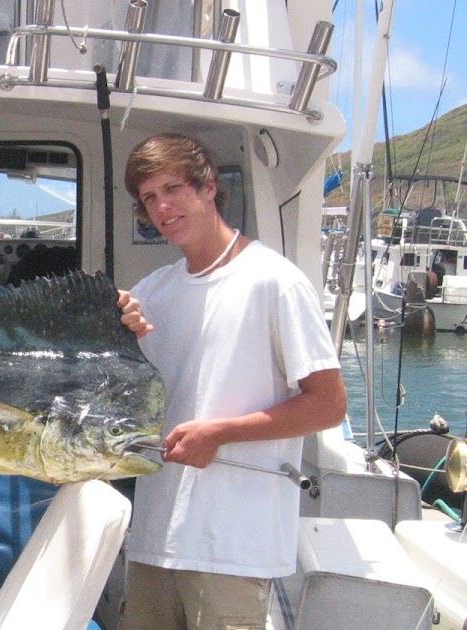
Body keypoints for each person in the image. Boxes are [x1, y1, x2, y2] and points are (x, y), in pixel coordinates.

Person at [115, 133, 347, 630]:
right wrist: (114, 328)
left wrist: (218, 434)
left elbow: (328, 406)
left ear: (208, 188)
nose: (161, 207)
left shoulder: (275, 281)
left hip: (233, 548)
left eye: (172, 188)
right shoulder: (151, 292)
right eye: (149, 198)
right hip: (154, 537)